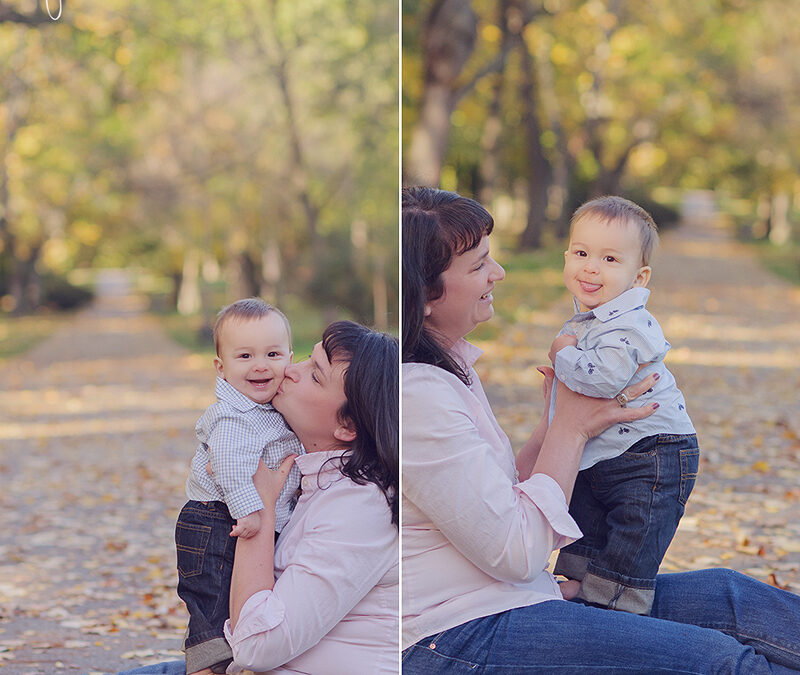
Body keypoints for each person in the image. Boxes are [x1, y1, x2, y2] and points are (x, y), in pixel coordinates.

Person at [401, 185, 800, 673]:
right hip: (457, 631)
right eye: (479, 264)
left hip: (515, 596)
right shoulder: (416, 397)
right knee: (723, 663)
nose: (498, 273)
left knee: (735, 596)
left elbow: (502, 496)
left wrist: (554, 425)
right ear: (422, 296)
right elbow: (518, 552)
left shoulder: (450, 369)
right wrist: (571, 427)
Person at [119, 320, 399, 675]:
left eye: (315, 375)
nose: (290, 372)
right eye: (306, 359)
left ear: (347, 427)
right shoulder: (317, 474)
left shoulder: (359, 508)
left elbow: (256, 648)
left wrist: (260, 507)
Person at [548, 196, 699, 614]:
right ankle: (580, 588)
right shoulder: (592, 318)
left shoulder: (629, 323)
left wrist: (561, 353)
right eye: (581, 253)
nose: (591, 267)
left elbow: (603, 379)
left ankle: (616, 610)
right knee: (587, 525)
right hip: (610, 451)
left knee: (633, 536)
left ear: (639, 277)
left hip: (653, 453)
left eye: (610, 258)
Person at [177, 298, 302, 674]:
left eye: (273, 354)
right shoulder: (233, 416)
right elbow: (230, 466)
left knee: (234, 605)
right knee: (213, 603)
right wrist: (249, 510)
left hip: (232, 517)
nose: (261, 365)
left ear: (290, 359)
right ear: (222, 367)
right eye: (245, 356)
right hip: (216, 520)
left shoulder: (266, 407)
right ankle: (206, 665)